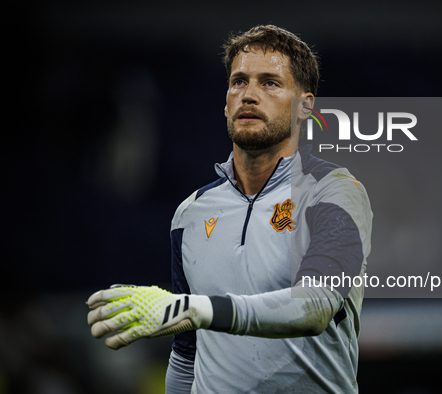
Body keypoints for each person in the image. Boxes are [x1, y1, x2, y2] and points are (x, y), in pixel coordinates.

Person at [87, 25, 372, 393]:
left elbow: (315, 306)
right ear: (225, 102)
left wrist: (198, 309)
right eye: (239, 82)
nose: (249, 95)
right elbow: (188, 353)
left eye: (270, 83)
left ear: (305, 107)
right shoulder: (190, 214)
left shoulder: (335, 192)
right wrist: (192, 314)